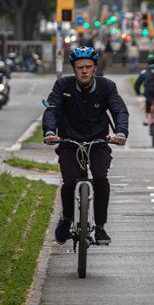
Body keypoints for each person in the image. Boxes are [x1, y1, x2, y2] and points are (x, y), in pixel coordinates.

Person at [43, 46, 129, 246]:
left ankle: (100, 227)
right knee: (70, 182)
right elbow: (51, 109)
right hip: (69, 141)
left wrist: (121, 133)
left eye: (88, 67)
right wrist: (49, 131)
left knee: (100, 178)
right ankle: (66, 219)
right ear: (73, 69)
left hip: (98, 141)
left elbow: (119, 110)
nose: (84, 71)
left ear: (95, 68)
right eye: (79, 67)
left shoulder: (107, 87)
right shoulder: (63, 86)